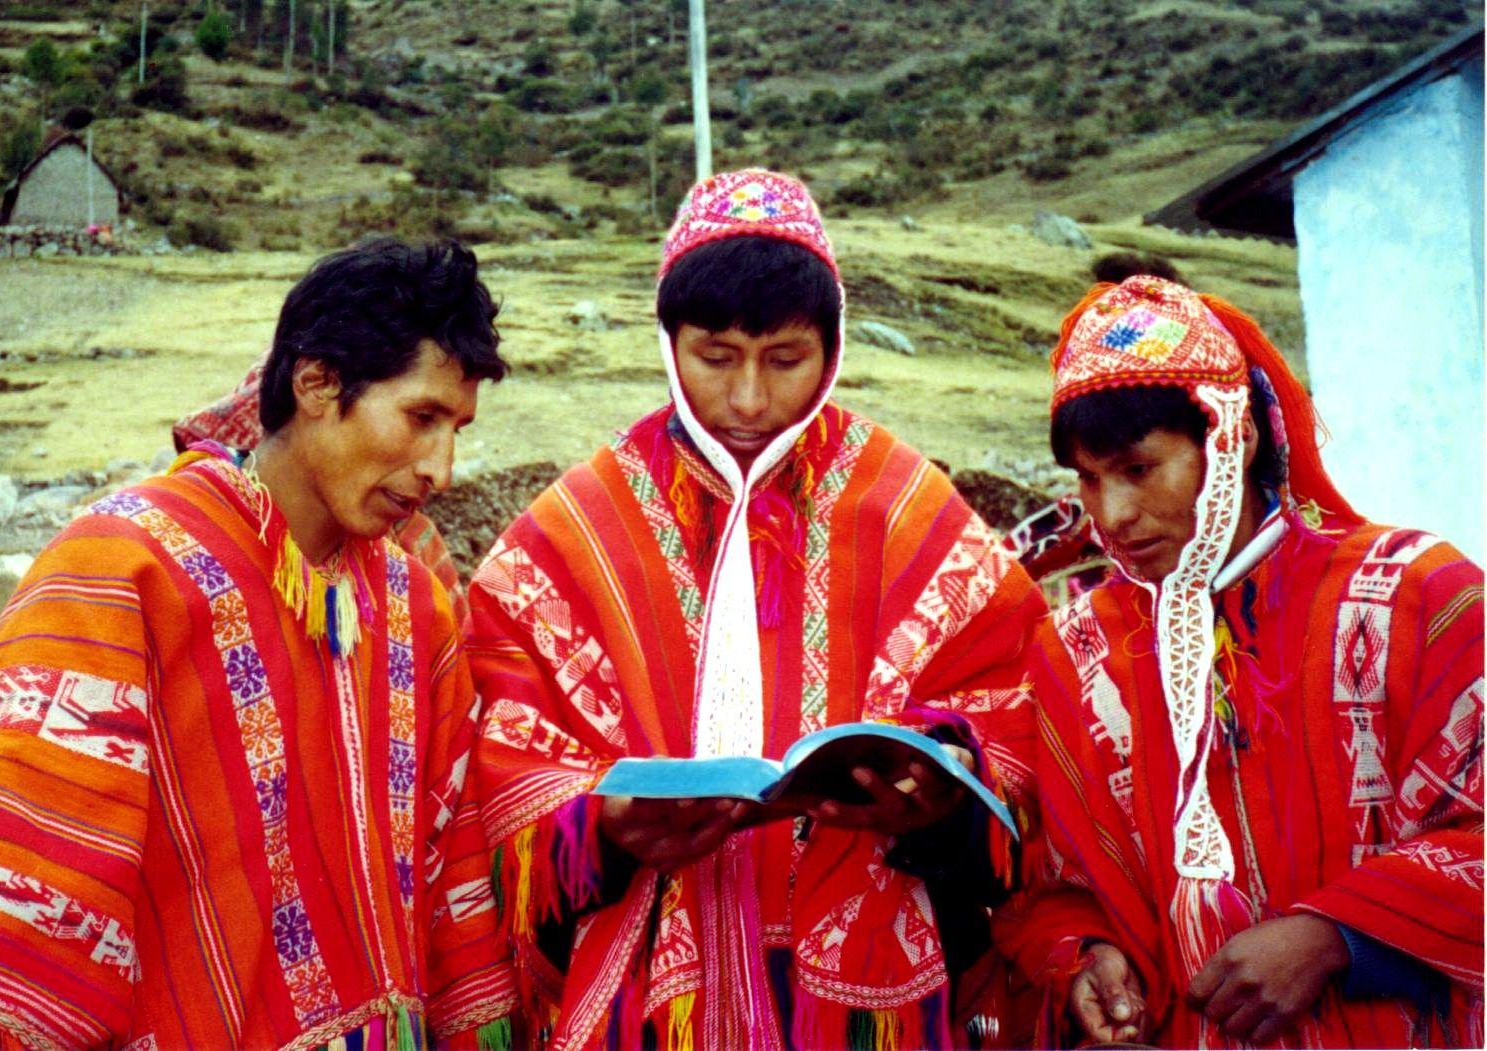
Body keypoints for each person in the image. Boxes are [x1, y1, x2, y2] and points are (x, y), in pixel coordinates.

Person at [0, 238, 518, 1049]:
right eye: (421, 417)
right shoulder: (122, 568)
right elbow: (33, 878)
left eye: (457, 427)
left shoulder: (414, 606)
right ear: (316, 381)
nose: (442, 466)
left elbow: (450, 869)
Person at [467, 169, 1047, 1050]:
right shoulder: (575, 527)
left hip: (865, 997)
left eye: (784, 360)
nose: (746, 400)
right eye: (714, 357)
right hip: (652, 996)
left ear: (832, 344)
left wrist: (942, 790)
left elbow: (1013, 706)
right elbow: (502, 746)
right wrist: (603, 826)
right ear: (668, 345)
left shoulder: (906, 507)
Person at [992, 275, 1483, 1048]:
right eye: (1087, 479)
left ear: (1233, 439)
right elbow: (1056, 881)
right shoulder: (1079, 650)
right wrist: (1088, 956)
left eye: (1137, 469)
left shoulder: (1415, 596)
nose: (1111, 516)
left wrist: (1336, 939)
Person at [174, 353, 468, 624]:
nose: (442, 476)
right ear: (314, 387)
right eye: (422, 418)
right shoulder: (157, 564)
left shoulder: (414, 575)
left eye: (455, 431)